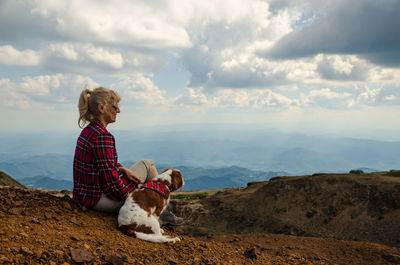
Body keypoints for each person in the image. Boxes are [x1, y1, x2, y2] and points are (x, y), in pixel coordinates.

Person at [73, 86, 182, 225]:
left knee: (146, 164)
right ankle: (160, 211)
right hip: (98, 199)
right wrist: (139, 192)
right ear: (101, 108)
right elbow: (111, 185)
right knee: (148, 167)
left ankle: (160, 208)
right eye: (114, 107)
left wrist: (122, 169)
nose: (118, 110)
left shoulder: (90, 131)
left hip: (85, 195)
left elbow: (101, 163)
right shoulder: (102, 136)